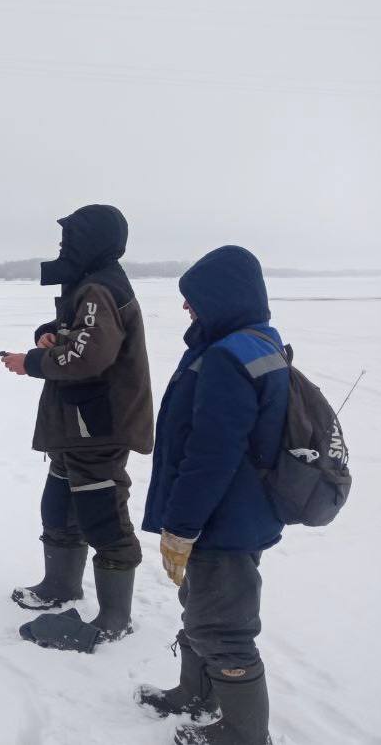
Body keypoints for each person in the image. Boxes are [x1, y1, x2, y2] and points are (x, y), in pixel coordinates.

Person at [137, 246, 286, 745]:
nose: (186, 308)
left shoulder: (227, 356)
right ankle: (195, 695)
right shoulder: (254, 343)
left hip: (222, 519)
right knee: (202, 606)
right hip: (238, 514)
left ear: (222, 296)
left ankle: (245, 736)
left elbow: (210, 454)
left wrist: (181, 526)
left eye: (193, 298)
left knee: (224, 627)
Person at [0, 204, 154, 653]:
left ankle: (114, 617)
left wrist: (30, 363)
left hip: (98, 428)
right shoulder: (89, 284)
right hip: (76, 426)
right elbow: (78, 334)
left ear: (92, 241)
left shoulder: (100, 288)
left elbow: (91, 356)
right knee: (59, 506)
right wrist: (50, 333)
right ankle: (60, 585)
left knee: (103, 517)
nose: (63, 247)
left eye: (70, 239)